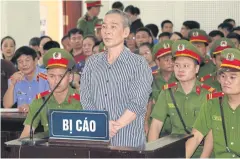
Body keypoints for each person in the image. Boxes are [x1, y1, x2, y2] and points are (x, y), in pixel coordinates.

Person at [80, 9, 152, 147]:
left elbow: (138, 103)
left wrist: (113, 127)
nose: (107, 31)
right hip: (97, 141)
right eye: (104, 26)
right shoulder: (92, 62)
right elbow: (86, 98)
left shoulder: (139, 64)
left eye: (113, 26)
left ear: (125, 32)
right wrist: (101, 125)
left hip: (128, 142)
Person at [148, 40, 216, 158]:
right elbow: (155, 126)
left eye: (186, 66)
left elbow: (212, 132)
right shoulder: (167, 93)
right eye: (177, 65)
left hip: (202, 151)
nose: (180, 70)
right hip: (174, 150)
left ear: (196, 69)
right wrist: (152, 154)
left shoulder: (209, 95)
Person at [186, 48, 240, 158]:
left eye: (232, 77)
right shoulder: (212, 104)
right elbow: (196, 137)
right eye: (223, 76)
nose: (226, 81)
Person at [20, 48, 82, 138]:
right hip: (49, 150)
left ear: (70, 78)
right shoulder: (40, 101)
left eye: (61, 76)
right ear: (47, 77)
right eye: (52, 76)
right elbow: (26, 135)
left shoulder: (82, 99)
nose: (56, 81)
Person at [3, 46, 49, 112]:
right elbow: (7, 105)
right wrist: (12, 85)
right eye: (20, 61)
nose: (24, 64)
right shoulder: (15, 78)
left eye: (27, 60)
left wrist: (32, 108)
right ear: (17, 66)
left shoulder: (48, 77)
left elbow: (52, 103)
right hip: (22, 120)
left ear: (35, 61)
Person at [146, 40, 176, 137]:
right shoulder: (149, 79)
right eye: (166, 59)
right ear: (157, 62)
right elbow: (147, 103)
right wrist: (145, 122)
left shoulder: (182, 79)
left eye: (173, 59)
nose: (170, 62)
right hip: (155, 129)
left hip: (177, 130)